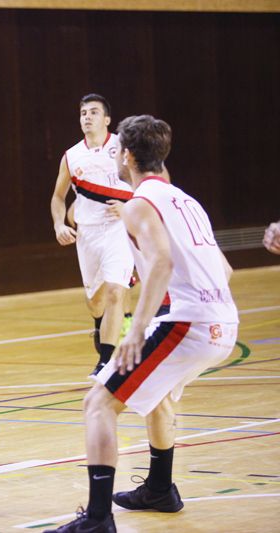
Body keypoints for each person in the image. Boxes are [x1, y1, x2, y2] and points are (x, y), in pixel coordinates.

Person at [46, 115, 239, 532]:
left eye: (118, 149)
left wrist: (138, 330)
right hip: (224, 323)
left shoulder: (138, 205)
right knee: (160, 397)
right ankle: (159, 489)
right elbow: (224, 270)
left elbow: (163, 264)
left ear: (127, 156)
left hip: (188, 324)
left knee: (97, 404)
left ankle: (97, 520)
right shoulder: (187, 201)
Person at [51, 94, 135, 376]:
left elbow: (145, 183)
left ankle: (106, 362)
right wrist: (59, 224)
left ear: (107, 119)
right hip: (88, 234)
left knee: (115, 291)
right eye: (83, 112)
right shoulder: (72, 156)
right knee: (95, 301)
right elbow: (58, 197)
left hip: (118, 230)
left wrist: (128, 207)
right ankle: (99, 323)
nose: (87, 117)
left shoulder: (124, 148)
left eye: (94, 112)